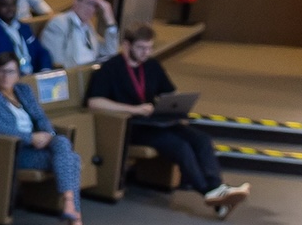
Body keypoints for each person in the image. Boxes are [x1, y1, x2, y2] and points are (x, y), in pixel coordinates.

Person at [84, 26, 239, 213]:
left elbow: (170, 92)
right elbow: (94, 102)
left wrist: (175, 105)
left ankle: (216, 188)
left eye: (150, 48)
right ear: (126, 45)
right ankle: (208, 192)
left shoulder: (152, 66)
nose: (146, 53)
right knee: (180, 147)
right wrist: (134, 109)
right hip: (132, 126)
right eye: (141, 48)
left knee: (202, 139)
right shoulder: (110, 68)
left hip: (156, 121)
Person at [0, 54, 84, 225]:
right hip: (16, 151)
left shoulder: (23, 90)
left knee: (62, 142)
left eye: (11, 72)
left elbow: (40, 117)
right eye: (1, 71)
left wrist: (47, 134)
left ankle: (69, 205)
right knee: (72, 159)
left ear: (18, 74)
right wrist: (30, 138)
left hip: (39, 143)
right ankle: (74, 217)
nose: (5, 76)